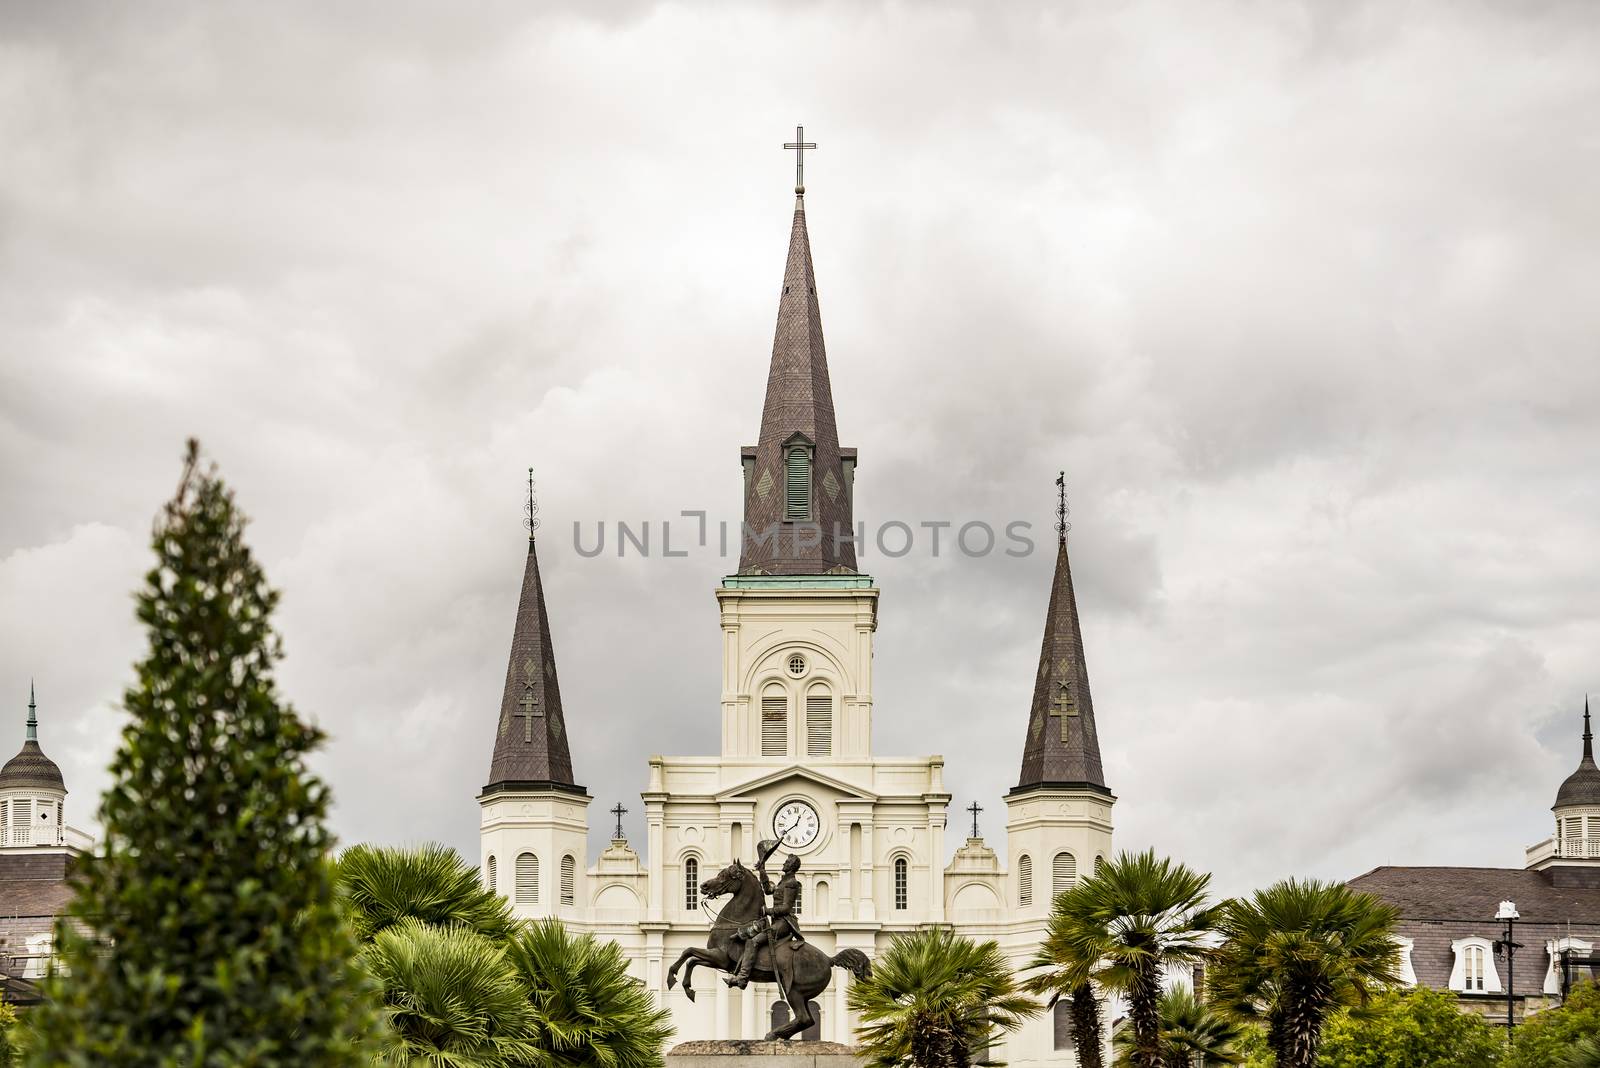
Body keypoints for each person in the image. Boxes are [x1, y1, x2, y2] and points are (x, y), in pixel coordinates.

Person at [725, 839, 804, 988]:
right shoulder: (783, 882)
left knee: (753, 941)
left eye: (787, 862)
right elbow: (768, 889)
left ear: (792, 866)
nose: (784, 864)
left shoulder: (791, 883)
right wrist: (762, 869)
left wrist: (767, 911)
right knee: (749, 930)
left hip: (784, 923)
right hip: (775, 921)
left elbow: (786, 908)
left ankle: (742, 978)